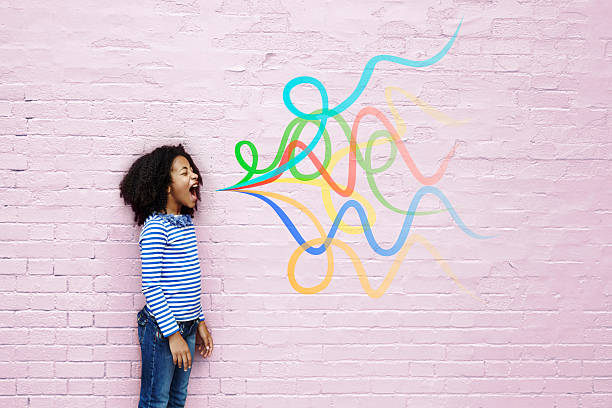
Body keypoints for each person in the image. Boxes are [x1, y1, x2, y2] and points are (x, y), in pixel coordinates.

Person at [119, 143, 213, 408]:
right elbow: (151, 286)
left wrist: (200, 321)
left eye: (193, 171)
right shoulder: (156, 228)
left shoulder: (184, 224)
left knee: (177, 400)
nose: (194, 176)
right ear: (167, 186)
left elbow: (188, 282)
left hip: (189, 326)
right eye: (185, 172)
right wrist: (173, 335)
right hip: (163, 331)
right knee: (156, 402)